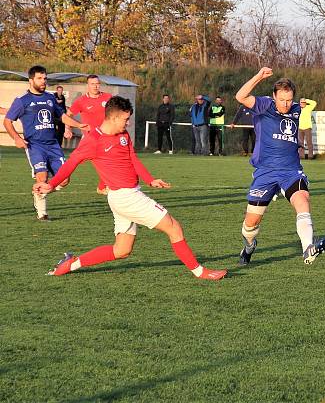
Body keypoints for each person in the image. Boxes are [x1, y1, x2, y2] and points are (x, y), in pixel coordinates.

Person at [34, 96, 227, 280]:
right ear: (114, 117)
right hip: (126, 198)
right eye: (125, 119)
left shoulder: (123, 135)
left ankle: (72, 264)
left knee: (122, 250)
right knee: (174, 228)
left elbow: (132, 159)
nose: (127, 123)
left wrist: (150, 180)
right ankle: (199, 271)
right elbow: (71, 163)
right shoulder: (93, 140)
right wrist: (51, 184)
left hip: (126, 195)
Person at [233, 67, 325, 266]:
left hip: (291, 171)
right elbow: (240, 96)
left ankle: (307, 249)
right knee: (251, 224)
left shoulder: (296, 108)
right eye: (282, 99)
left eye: (289, 99)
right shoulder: (264, 105)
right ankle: (249, 246)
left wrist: (299, 105)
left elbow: (301, 106)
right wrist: (259, 76)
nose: (286, 104)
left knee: (303, 199)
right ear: (274, 96)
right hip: (265, 172)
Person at [3, 65, 88, 220]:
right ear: (31, 80)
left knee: (65, 180)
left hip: (53, 145)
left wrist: (78, 124)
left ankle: (41, 191)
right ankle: (42, 213)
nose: (43, 81)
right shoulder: (22, 100)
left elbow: (61, 116)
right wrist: (16, 137)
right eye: (40, 78)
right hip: (34, 146)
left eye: (45, 78)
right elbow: (8, 121)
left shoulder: (50, 98)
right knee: (42, 177)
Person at [64, 74, 114, 194]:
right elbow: (68, 115)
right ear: (88, 85)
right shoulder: (81, 101)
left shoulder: (108, 97)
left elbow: (117, 111)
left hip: (106, 136)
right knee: (74, 160)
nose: (95, 86)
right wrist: (68, 128)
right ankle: (61, 178)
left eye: (97, 83)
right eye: (92, 84)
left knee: (109, 160)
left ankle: (103, 186)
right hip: (89, 138)